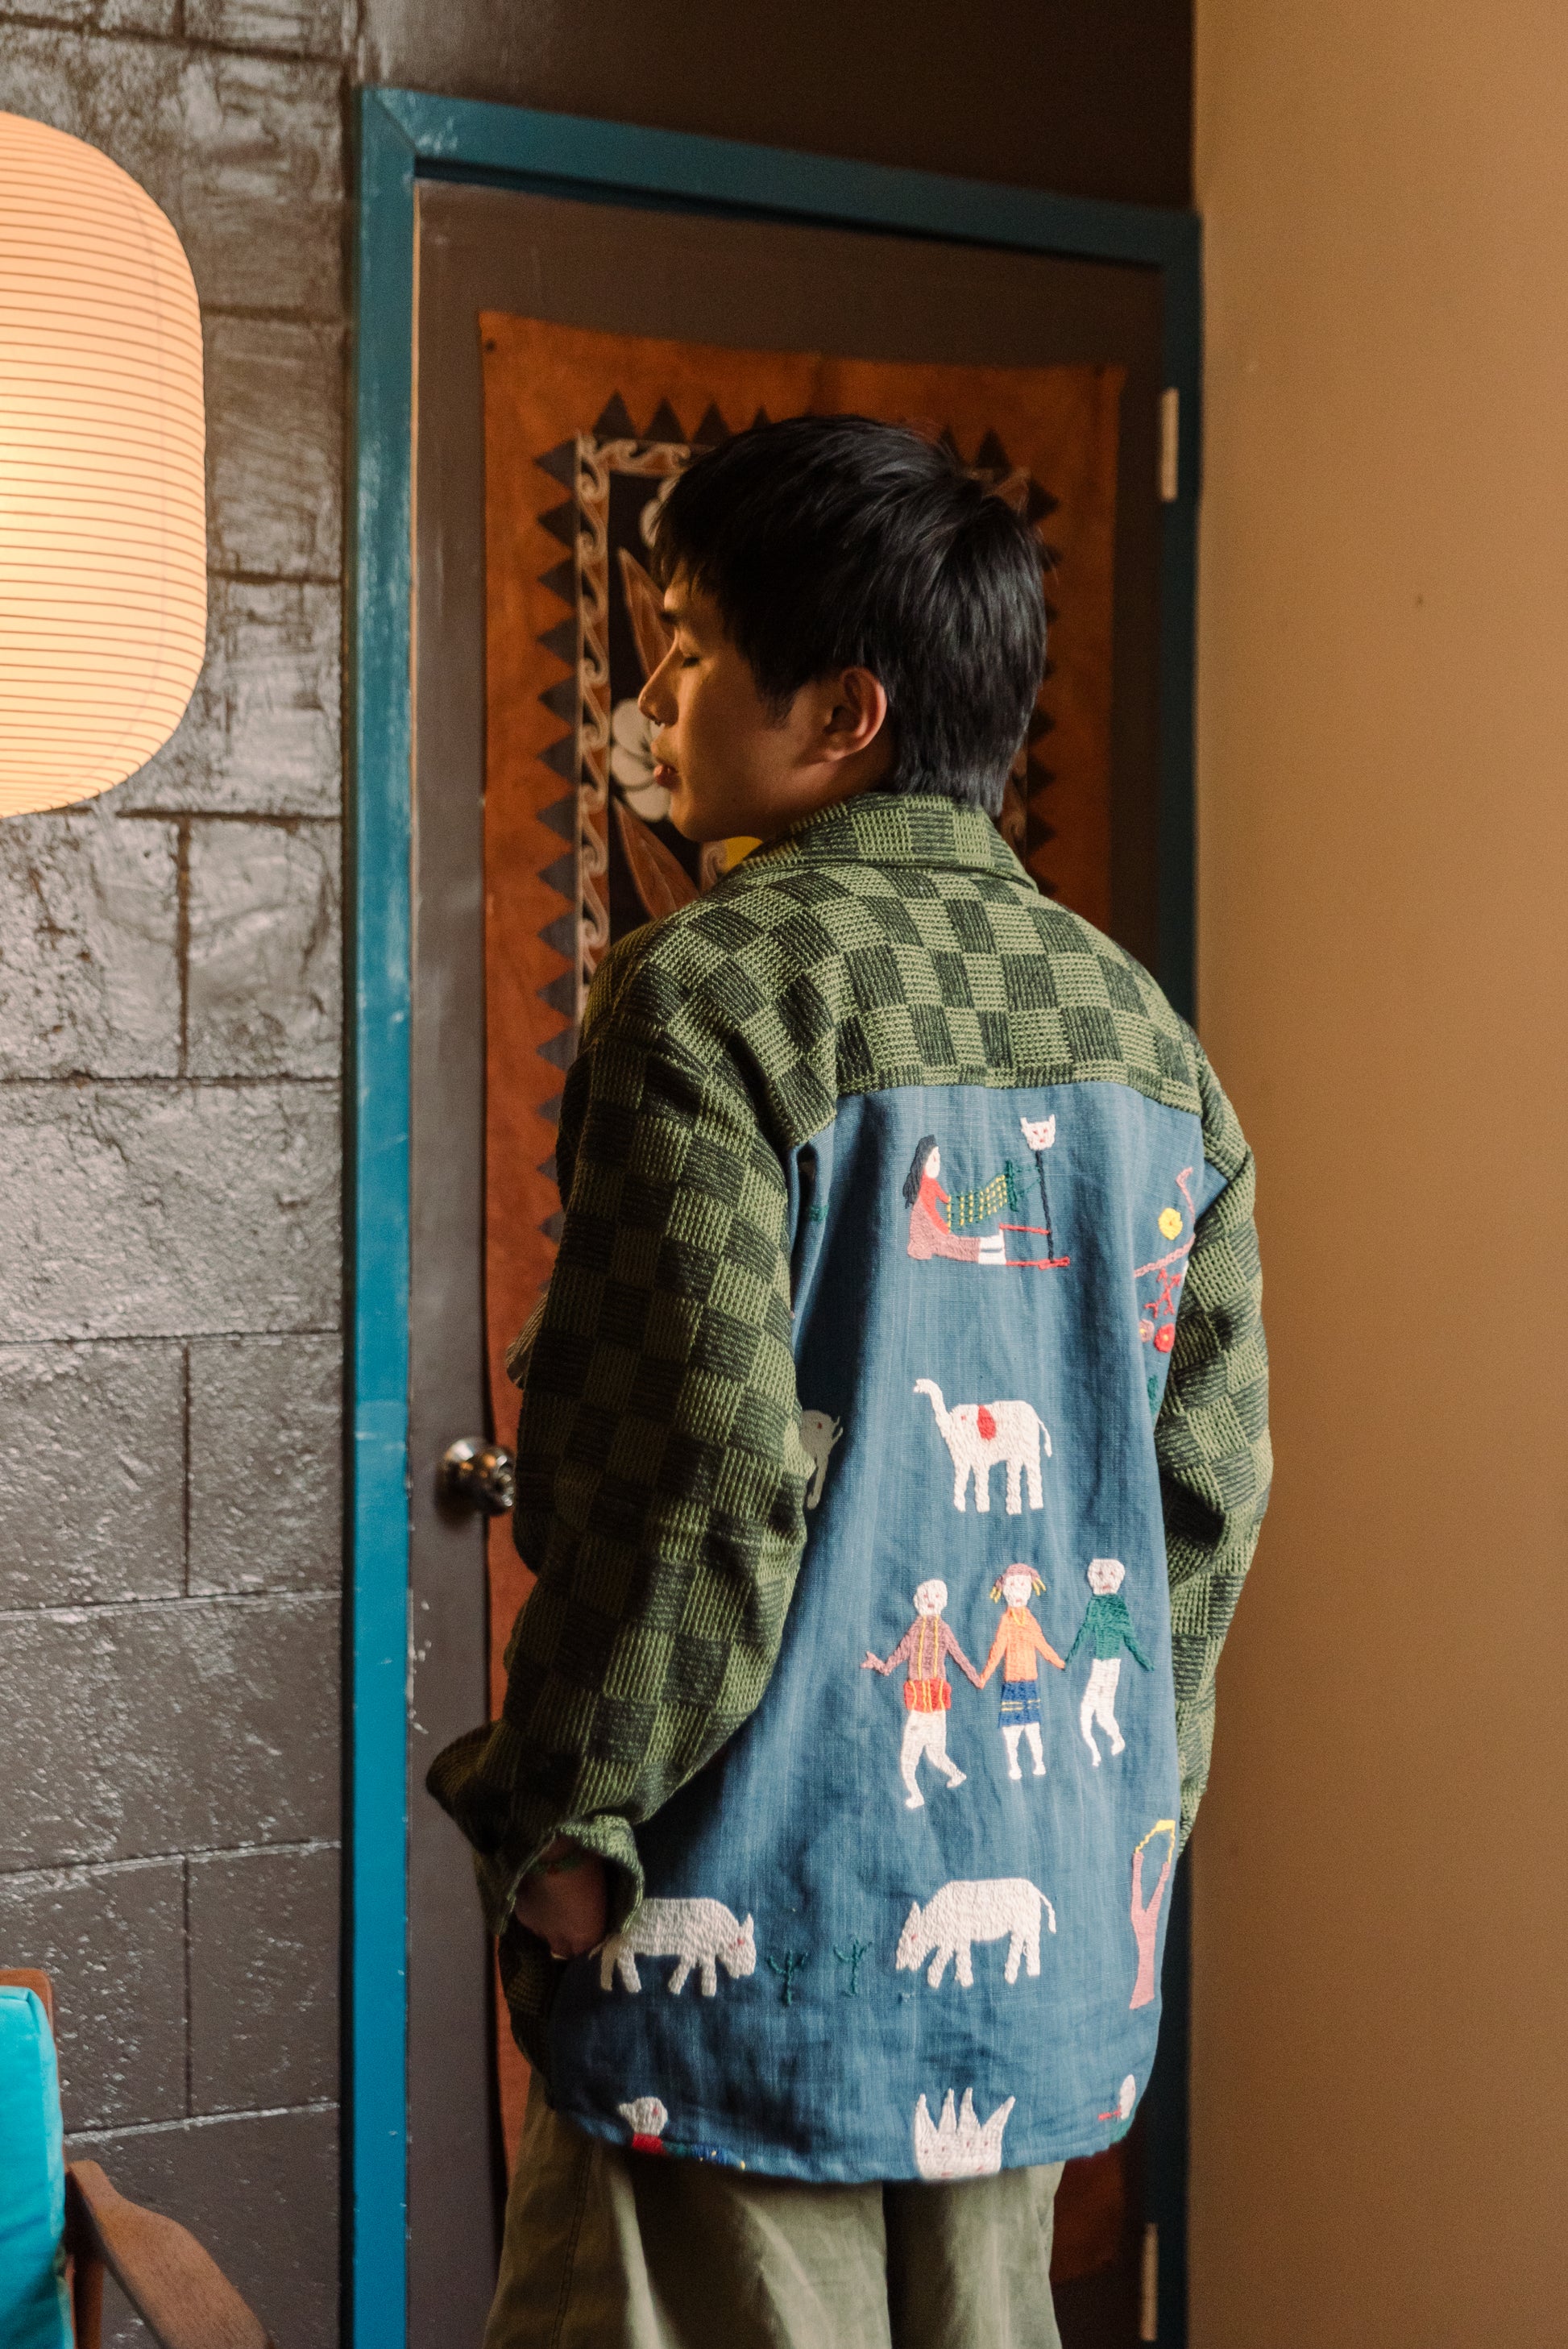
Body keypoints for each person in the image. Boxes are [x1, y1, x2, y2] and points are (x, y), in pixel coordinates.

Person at [428, 415, 1271, 2349]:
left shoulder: (708, 991)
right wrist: (1117, 1831)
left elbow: (693, 1475)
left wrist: (564, 1818)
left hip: (745, 1952)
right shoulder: (1150, 1040)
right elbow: (1209, 1500)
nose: (652, 701)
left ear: (840, 714)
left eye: (687, 649)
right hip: (1038, 1951)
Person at [861, 1575, 985, 1808]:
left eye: (936, 1596)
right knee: (916, 1754)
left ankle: (952, 1776)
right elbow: (900, 1654)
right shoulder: (916, 1629)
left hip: (933, 1699)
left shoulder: (943, 1630)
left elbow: (958, 1656)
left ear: (943, 1601)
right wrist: (881, 1666)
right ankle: (927, 1789)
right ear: (918, 1601)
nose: (931, 1600)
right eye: (926, 1596)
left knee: (928, 1753)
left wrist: (976, 1678)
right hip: (920, 1697)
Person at [979, 1566, 1067, 1781]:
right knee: (1012, 1729)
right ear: (1005, 1589)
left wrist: (1059, 1662)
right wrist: (985, 1676)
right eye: (1013, 1586)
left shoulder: (1029, 1619)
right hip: (1012, 1682)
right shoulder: (1007, 1620)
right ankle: (1014, 1766)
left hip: (1029, 1681)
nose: (1018, 1592)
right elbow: (997, 1650)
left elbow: (1041, 1643)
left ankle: (1039, 1763)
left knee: (1032, 1727)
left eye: (1022, 1586)